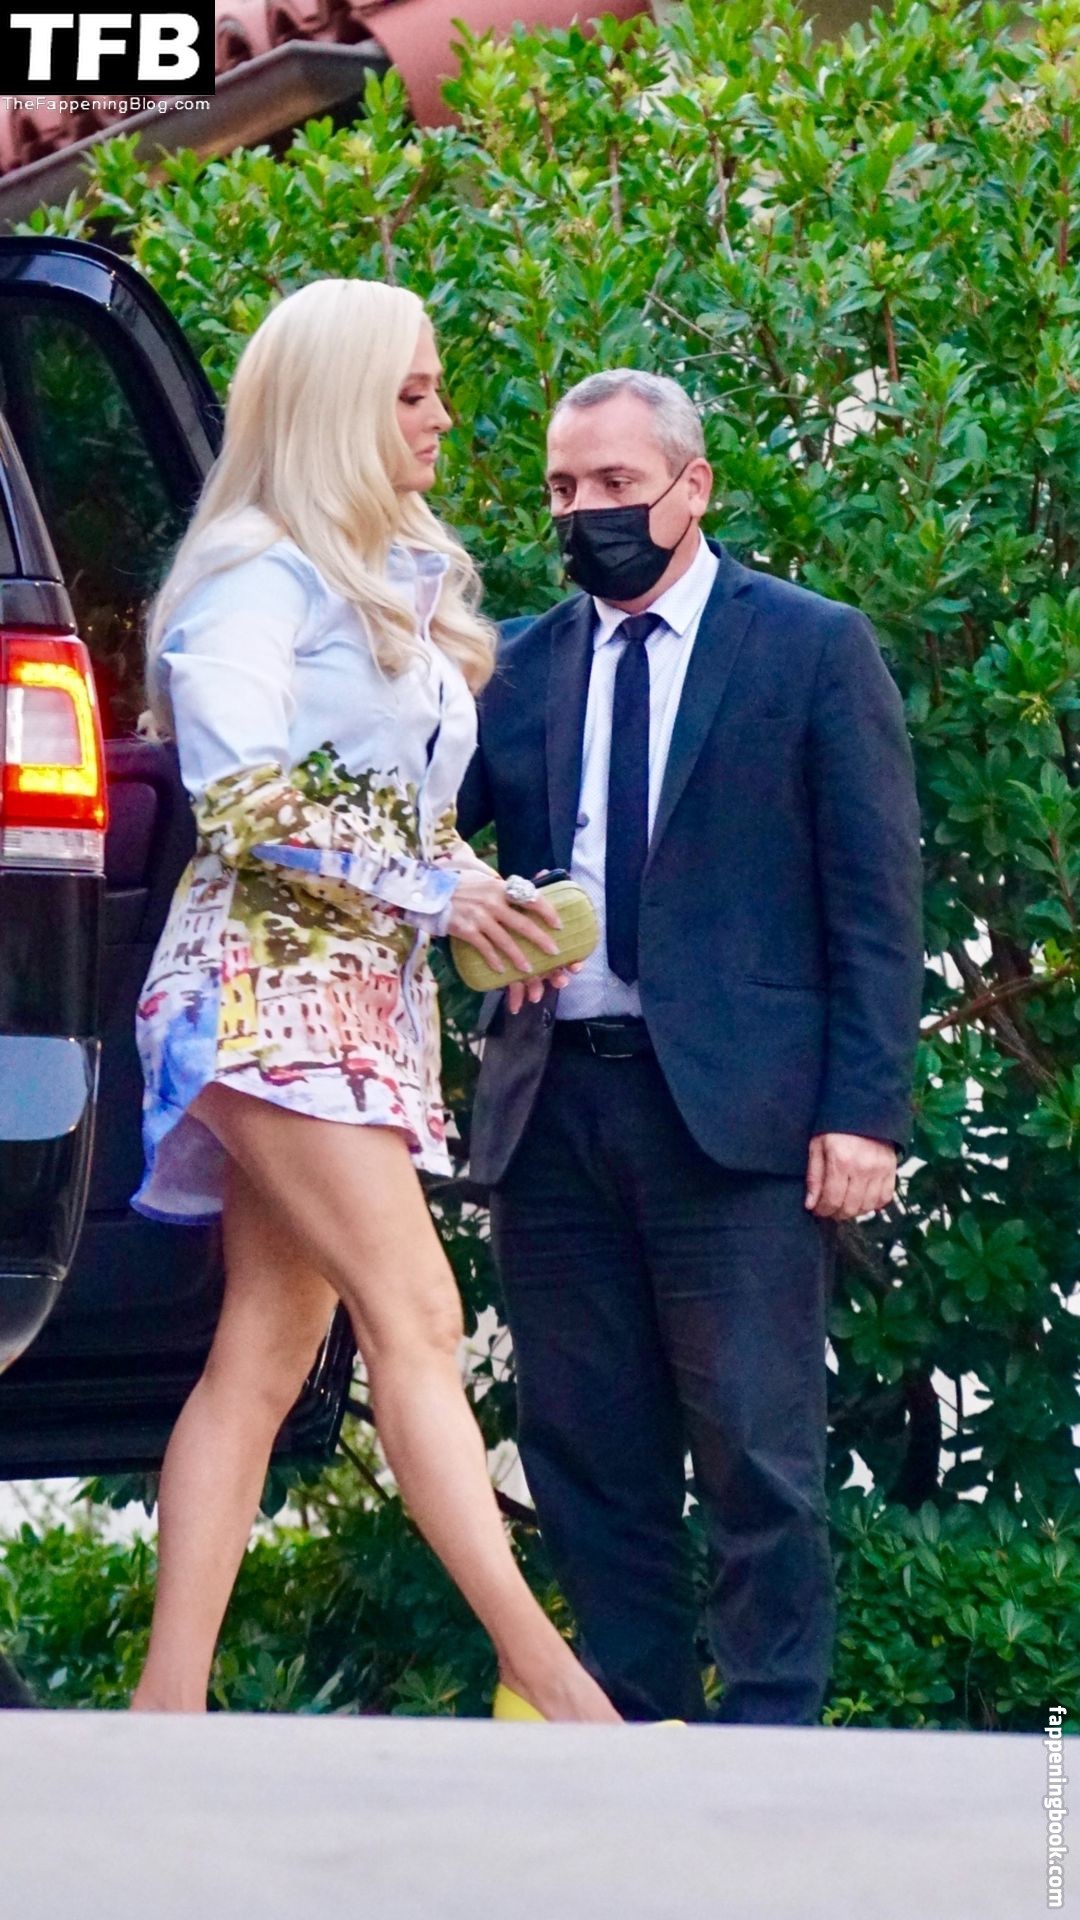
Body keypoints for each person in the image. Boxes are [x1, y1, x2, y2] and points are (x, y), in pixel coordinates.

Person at [128, 278, 619, 1723]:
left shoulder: (374, 578)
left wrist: (482, 894)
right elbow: (241, 801)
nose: (442, 418)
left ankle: (165, 1711)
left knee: (269, 1350)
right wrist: (433, 893)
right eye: (413, 393)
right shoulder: (254, 581)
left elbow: (403, 815)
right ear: (338, 406)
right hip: (266, 991)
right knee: (418, 1310)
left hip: (358, 1002)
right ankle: (554, 1683)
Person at [457, 368, 923, 1725]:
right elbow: (421, 832)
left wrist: (864, 1112)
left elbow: (875, 898)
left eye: (615, 483)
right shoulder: (517, 664)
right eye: (564, 489)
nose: (586, 511)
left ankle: (770, 1751)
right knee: (586, 1457)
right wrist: (466, 889)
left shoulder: (810, 648)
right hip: (552, 1113)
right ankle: (631, 1741)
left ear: (691, 485)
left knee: (758, 1458)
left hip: (736, 1119)